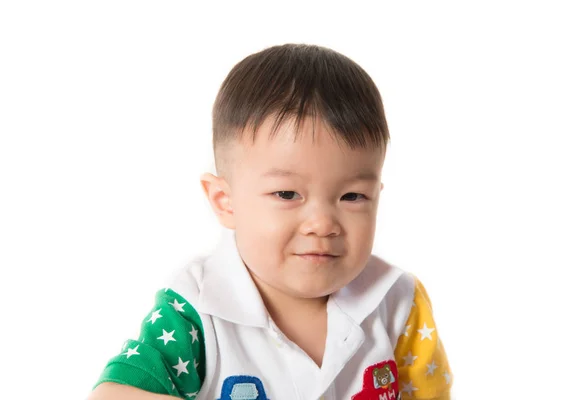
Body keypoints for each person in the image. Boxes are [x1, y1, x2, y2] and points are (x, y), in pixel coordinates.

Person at [89, 44, 453, 400]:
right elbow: (112, 394)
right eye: (287, 195)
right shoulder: (194, 309)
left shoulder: (398, 301)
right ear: (224, 201)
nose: (322, 223)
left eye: (352, 196)